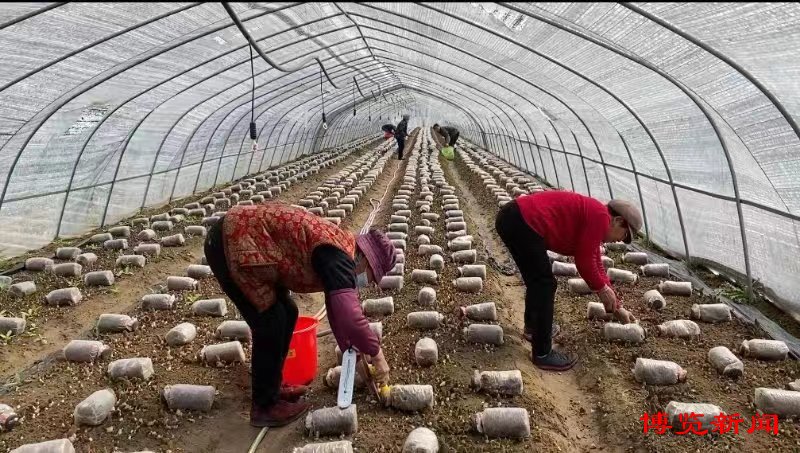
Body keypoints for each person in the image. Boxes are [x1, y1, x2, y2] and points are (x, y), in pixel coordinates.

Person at [204, 202, 396, 427]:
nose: (369, 283)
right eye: (373, 277)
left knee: (288, 311)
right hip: (233, 243)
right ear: (367, 261)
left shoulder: (343, 251)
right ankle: (265, 407)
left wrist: (351, 353)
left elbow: (338, 313)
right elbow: (351, 319)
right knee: (271, 321)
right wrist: (377, 354)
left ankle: (274, 388)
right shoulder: (340, 259)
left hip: (246, 242)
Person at [494, 191, 641, 371]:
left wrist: (616, 306)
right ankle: (542, 353)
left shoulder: (596, 215)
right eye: (624, 235)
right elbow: (584, 261)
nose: (619, 240)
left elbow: (595, 262)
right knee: (544, 284)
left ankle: (533, 330)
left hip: (515, 219)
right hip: (521, 221)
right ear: (617, 221)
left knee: (539, 282)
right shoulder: (600, 217)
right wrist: (602, 290)